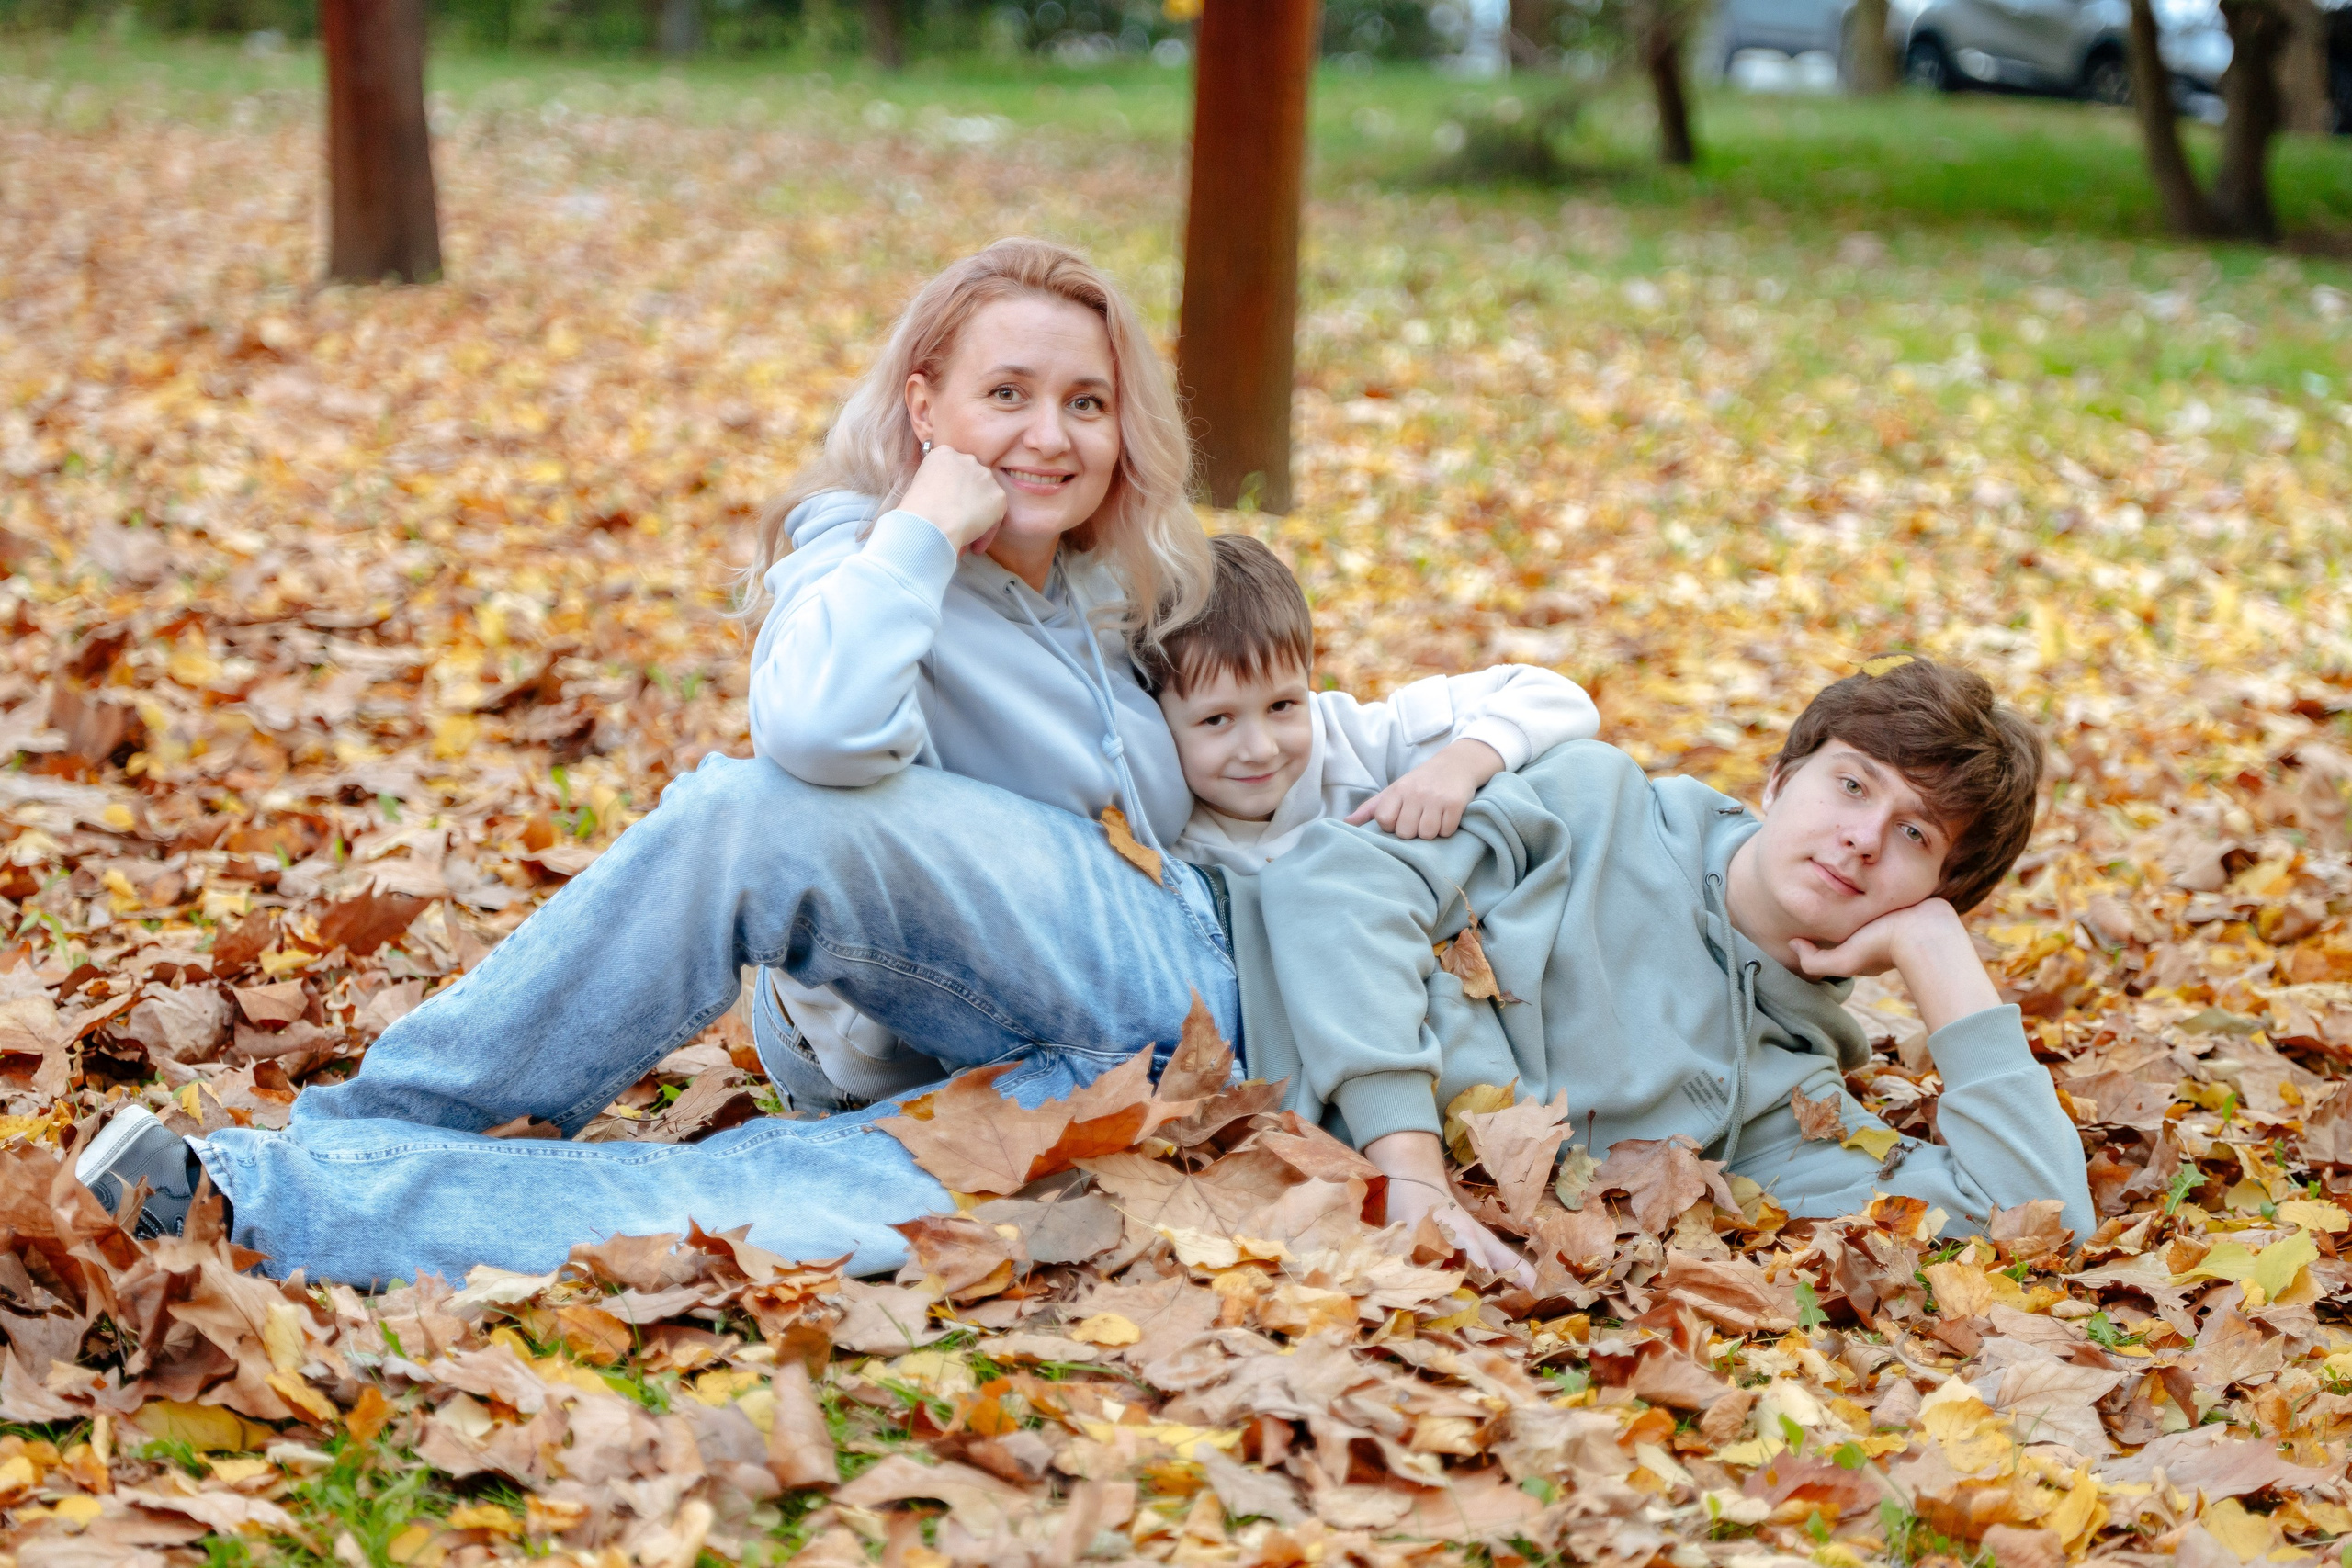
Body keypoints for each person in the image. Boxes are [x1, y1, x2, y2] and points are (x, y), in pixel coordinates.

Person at [74, 238, 1250, 1284]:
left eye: (1087, 403)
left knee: (799, 1177)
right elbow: (822, 735)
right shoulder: (863, 563)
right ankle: (301, 1177)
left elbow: (1299, 739)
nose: (1051, 436)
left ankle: (294, 1188)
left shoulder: (1128, 593)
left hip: (1185, 1026)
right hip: (1019, 1048)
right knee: (762, 883)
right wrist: (922, 536)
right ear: (925, 408)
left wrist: (1440, 755)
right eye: (1009, 394)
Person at [1231, 655, 2096, 1280]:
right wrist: (1412, 1174)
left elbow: (2033, 1219)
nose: (1863, 839)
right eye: (1854, 785)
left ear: (1937, 893)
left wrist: (1941, 959)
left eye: (1917, 836)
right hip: (1207, 967)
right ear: (1779, 779)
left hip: (1241, 1136)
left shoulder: (1785, 1104)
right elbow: (1329, 881)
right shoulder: (1591, 801)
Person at [773, 535, 1607, 1104]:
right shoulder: (1163, 833)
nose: (1260, 746)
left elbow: (1552, 693)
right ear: (1157, 717)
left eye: (1282, 703)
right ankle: (839, 1045)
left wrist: (1461, 762)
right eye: (1215, 720)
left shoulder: (1352, 737)